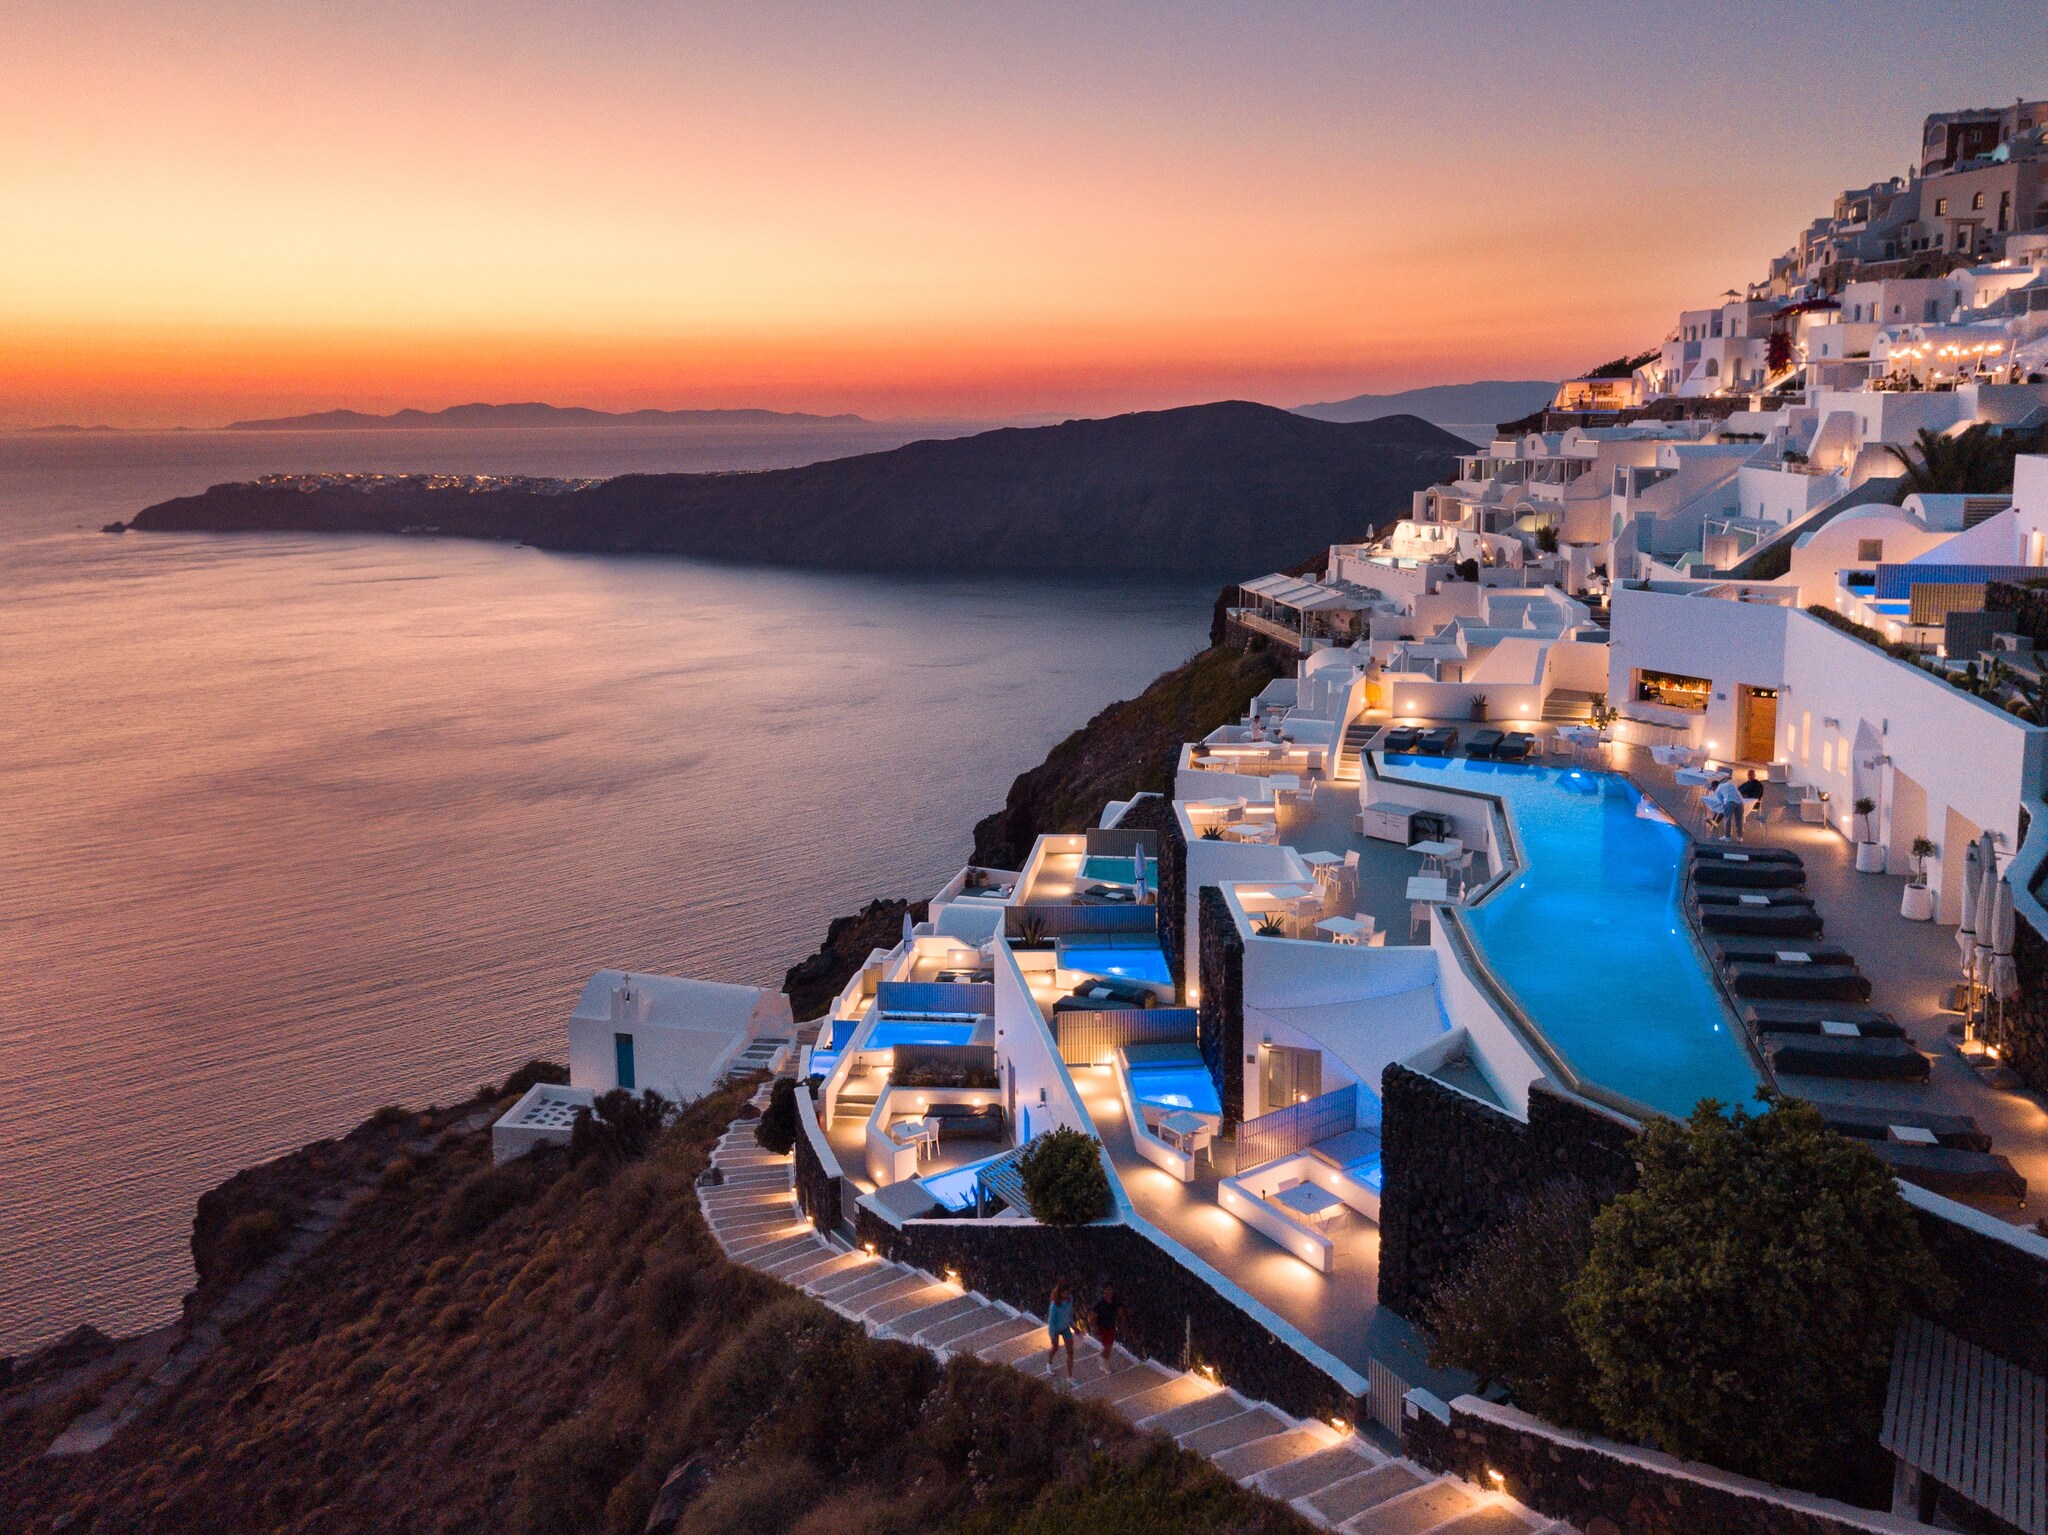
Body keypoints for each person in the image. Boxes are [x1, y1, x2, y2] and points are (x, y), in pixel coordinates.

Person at [1045, 1281, 1077, 1384]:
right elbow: (1051, 1321)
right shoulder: (1054, 1305)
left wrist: (1073, 1326)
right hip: (1055, 1329)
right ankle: (1049, 1363)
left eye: (1068, 1292)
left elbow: (1069, 1313)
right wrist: (1052, 1334)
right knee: (1055, 1347)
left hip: (1065, 1327)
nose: (1067, 1294)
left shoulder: (1070, 1299)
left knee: (1070, 1351)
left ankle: (1070, 1376)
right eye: (1065, 1293)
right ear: (1061, 1293)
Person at [1091, 1284, 1125, 1365]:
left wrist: (1123, 1323)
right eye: (1107, 1290)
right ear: (1104, 1292)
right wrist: (1096, 1329)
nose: (1109, 1292)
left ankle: (1103, 1361)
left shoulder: (1115, 1301)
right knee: (1107, 1347)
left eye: (1111, 1290)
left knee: (1108, 1347)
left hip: (1111, 1326)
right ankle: (1103, 1363)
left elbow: (1120, 1312)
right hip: (1101, 1327)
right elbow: (1092, 1318)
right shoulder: (1099, 1304)